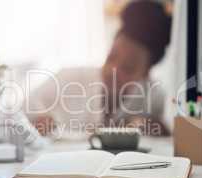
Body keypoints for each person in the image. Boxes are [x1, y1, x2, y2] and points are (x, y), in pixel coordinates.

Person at [26, 0, 171, 138]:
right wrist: (40, 120)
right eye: (111, 57)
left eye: (128, 68)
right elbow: (23, 108)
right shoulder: (69, 77)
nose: (113, 70)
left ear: (145, 74)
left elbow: (166, 128)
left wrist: (143, 123)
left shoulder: (154, 95)